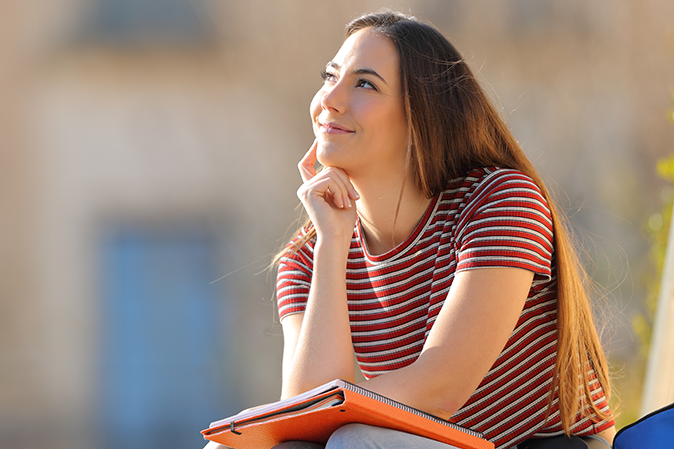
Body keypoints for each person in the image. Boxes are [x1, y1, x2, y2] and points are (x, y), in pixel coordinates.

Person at [207, 9, 615, 449]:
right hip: (416, 441)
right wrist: (331, 244)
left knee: (354, 442)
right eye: (330, 77)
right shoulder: (307, 254)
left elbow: (439, 390)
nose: (330, 99)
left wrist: (316, 415)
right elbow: (303, 419)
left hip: (539, 445)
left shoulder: (498, 201)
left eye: (364, 84)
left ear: (421, 116)